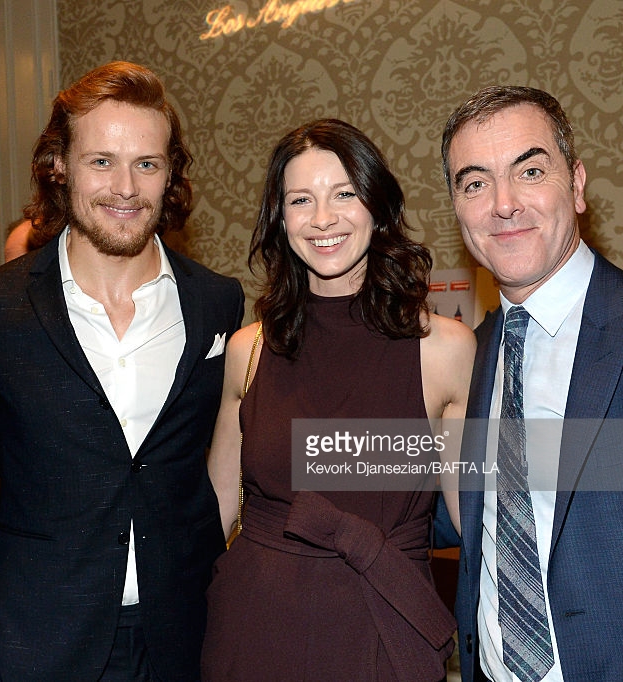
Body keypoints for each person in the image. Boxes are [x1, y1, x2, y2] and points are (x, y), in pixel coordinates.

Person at [0, 61, 244, 681]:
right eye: (101, 162)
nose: (126, 188)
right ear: (58, 165)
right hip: (41, 637)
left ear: (171, 174)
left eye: (147, 163)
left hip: (186, 634)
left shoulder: (217, 303)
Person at [439, 85, 623, 681]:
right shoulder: (465, 365)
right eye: (475, 183)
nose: (503, 204)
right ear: (457, 208)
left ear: (577, 185)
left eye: (530, 171)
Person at [202, 118, 475, 681]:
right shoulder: (246, 351)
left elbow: (476, 525)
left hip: (382, 627)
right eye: (301, 199)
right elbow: (213, 515)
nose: (322, 218)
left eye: (344, 193)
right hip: (254, 630)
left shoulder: (443, 350)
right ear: (281, 220)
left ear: (377, 208)